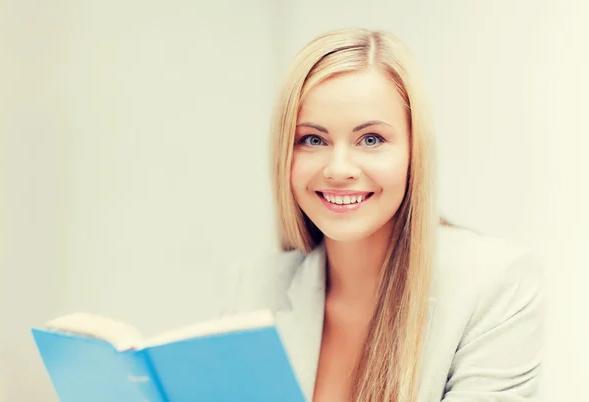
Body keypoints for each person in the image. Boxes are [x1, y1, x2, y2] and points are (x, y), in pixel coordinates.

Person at [221, 28, 545, 402]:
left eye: (371, 139)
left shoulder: (495, 285)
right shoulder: (254, 289)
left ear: (413, 153)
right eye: (313, 139)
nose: (338, 169)